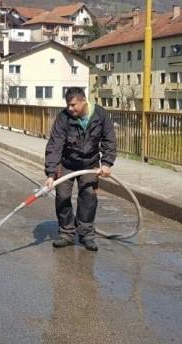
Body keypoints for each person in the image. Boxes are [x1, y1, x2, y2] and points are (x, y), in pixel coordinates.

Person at [44, 87, 116, 252]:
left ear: (84, 101)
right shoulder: (63, 118)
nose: (70, 108)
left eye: (73, 105)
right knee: (62, 196)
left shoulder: (100, 115)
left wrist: (106, 163)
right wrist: (50, 173)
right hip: (66, 164)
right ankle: (67, 234)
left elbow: (109, 140)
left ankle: (86, 235)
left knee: (88, 198)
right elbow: (55, 145)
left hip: (90, 164)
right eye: (68, 105)